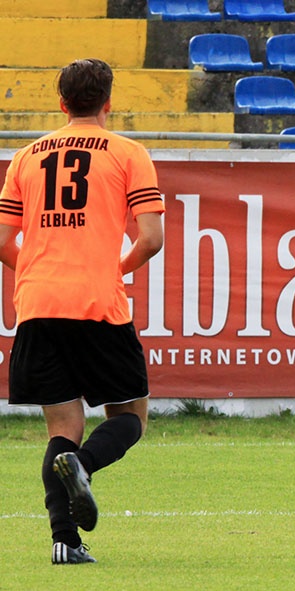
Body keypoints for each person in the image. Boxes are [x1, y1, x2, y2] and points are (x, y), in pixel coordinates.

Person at [0, 58, 165, 564]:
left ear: (61, 102)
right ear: (109, 101)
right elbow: (151, 239)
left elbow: (4, 240)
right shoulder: (127, 153)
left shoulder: (26, 156)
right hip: (97, 302)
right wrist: (114, 268)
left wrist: (34, 272)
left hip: (37, 304)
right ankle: (84, 464)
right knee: (131, 418)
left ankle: (64, 543)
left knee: (61, 427)